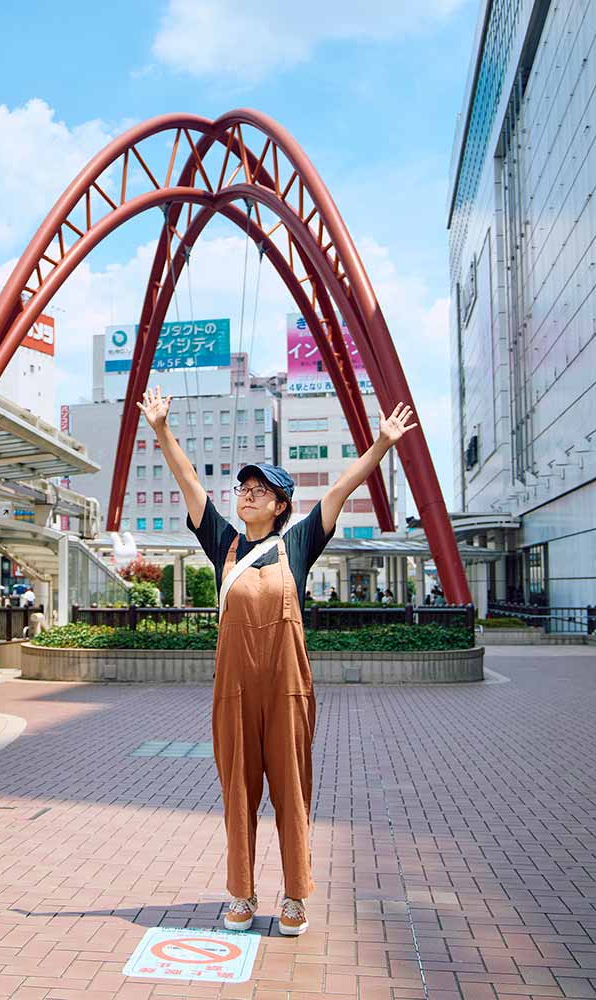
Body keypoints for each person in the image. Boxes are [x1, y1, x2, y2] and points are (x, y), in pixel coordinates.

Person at [140, 384, 417, 938]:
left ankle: (295, 896)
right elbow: (190, 482)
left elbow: (339, 488)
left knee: (292, 792)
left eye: (258, 490)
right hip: (234, 692)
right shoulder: (222, 543)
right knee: (237, 794)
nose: (246, 496)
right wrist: (162, 430)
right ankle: (241, 894)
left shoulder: (301, 544)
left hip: (289, 690)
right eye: (242, 488)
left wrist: (382, 444)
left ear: (280, 504)